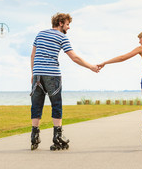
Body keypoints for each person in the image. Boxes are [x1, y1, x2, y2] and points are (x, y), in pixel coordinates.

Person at [30, 12, 99, 151]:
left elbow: (33, 55)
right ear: (60, 23)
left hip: (37, 74)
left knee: (36, 105)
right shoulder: (62, 37)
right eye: (67, 24)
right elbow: (75, 58)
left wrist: (33, 73)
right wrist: (91, 66)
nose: (68, 28)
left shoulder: (40, 34)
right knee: (56, 104)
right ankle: (57, 136)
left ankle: (34, 137)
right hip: (52, 75)